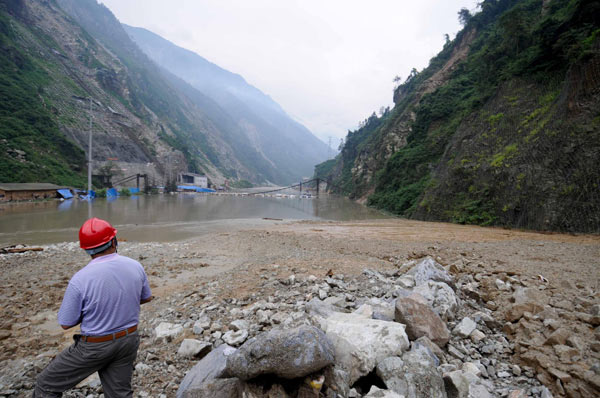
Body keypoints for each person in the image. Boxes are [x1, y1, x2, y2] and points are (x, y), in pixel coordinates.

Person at [33, 217, 153, 397]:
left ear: (86, 250)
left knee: (46, 384)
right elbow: (146, 297)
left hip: (95, 347)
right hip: (128, 339)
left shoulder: (80, 279)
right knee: (119, 393)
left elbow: (66, 322)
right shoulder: (135, 266)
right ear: (114, 241)